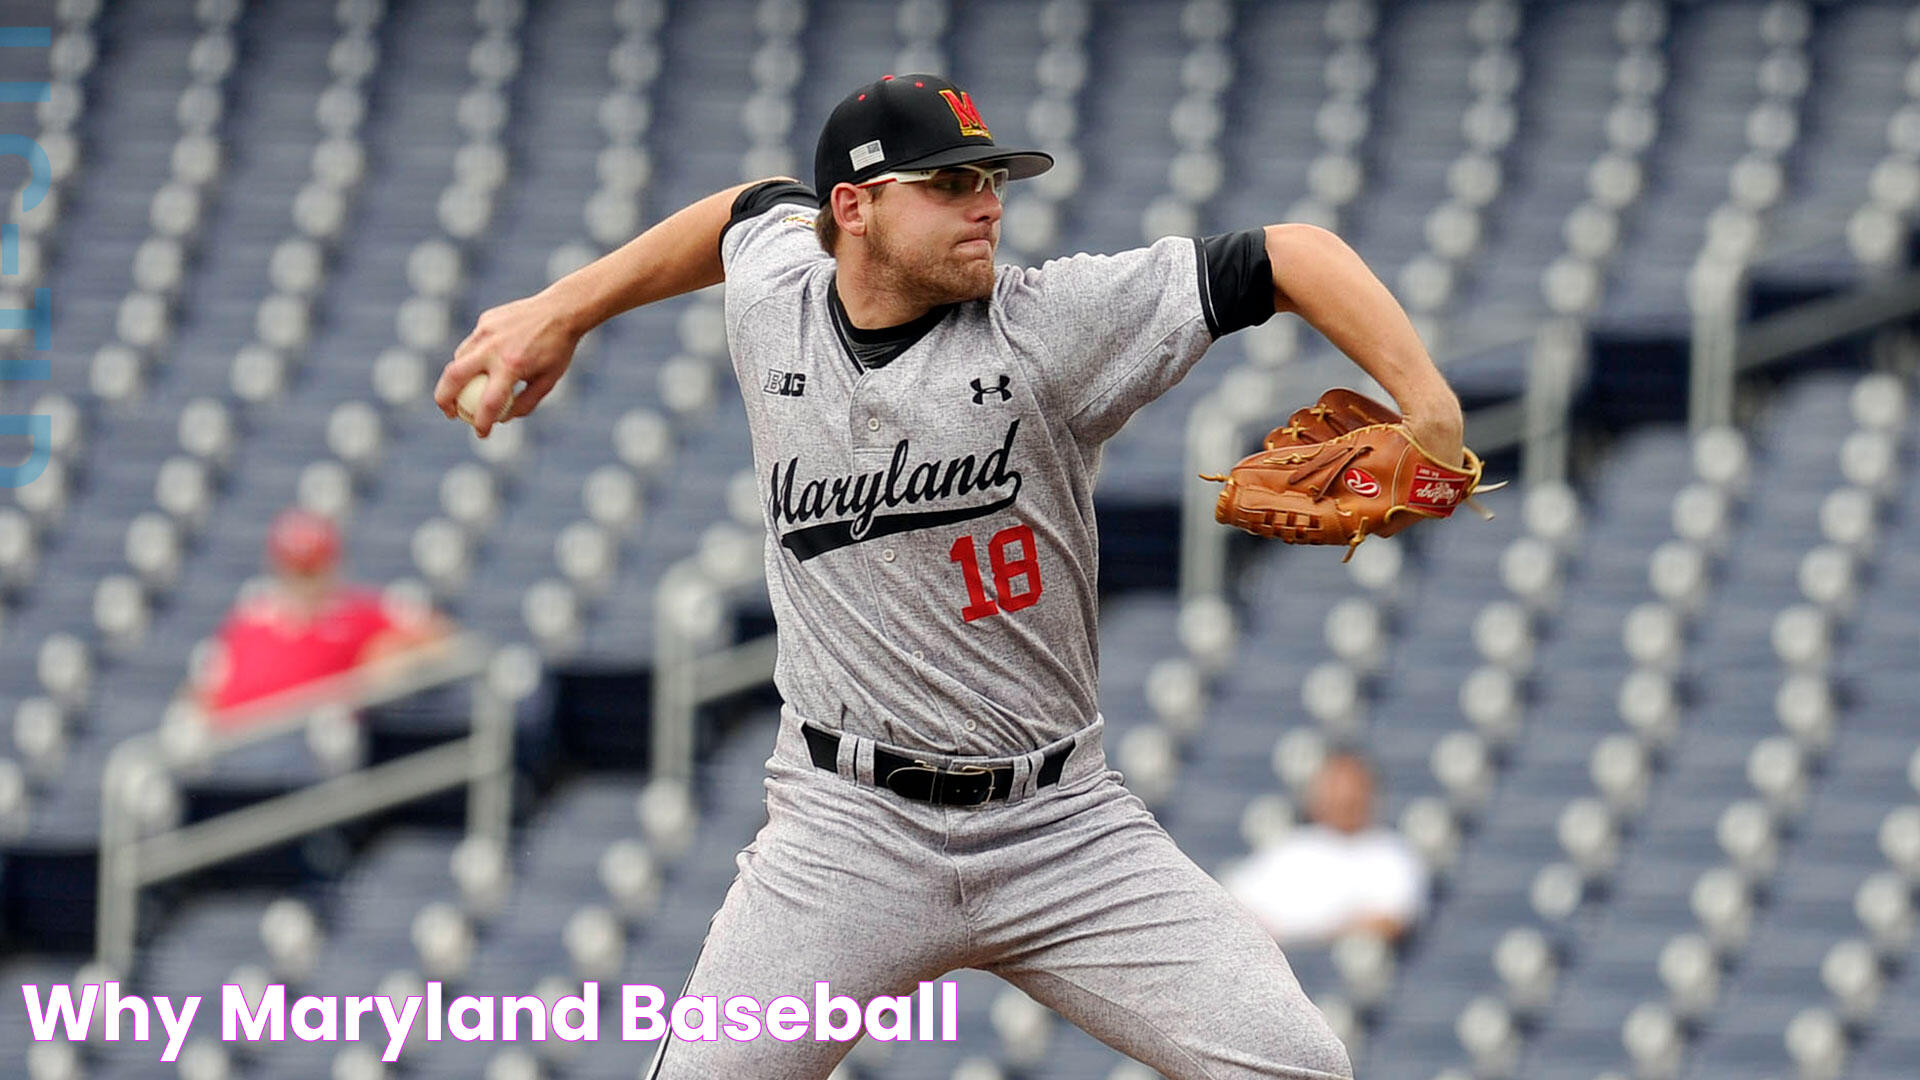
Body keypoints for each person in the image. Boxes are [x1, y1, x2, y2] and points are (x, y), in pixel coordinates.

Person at [437, 73, 1465, 1080]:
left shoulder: (1049, 326)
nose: (987, 206)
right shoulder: (775, 303)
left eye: (993, 181)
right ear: (852, 208)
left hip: (1060, 828)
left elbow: (1292, 254)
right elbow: (742, 213)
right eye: (949, 185)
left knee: (1296, 1064)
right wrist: (564, 307)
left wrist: (1427, 409)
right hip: (846, 834)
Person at [192, 508, 448, 726]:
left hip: (315, 750)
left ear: (330, 565)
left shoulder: (358, 612)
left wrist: (390, 656)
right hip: (241, 745)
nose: (302, 581)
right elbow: (206, 694)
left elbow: (441, 639)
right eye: (295, 568)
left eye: (311, 569)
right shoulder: (249, 620)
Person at [1224, 752, 1430, 946]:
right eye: (1334, 790)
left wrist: (1313, 943)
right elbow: (1234, 905)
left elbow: (1391, 920)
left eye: (1352, 791)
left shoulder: (1391, 853)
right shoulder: (1289, 847)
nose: (1343, 799)